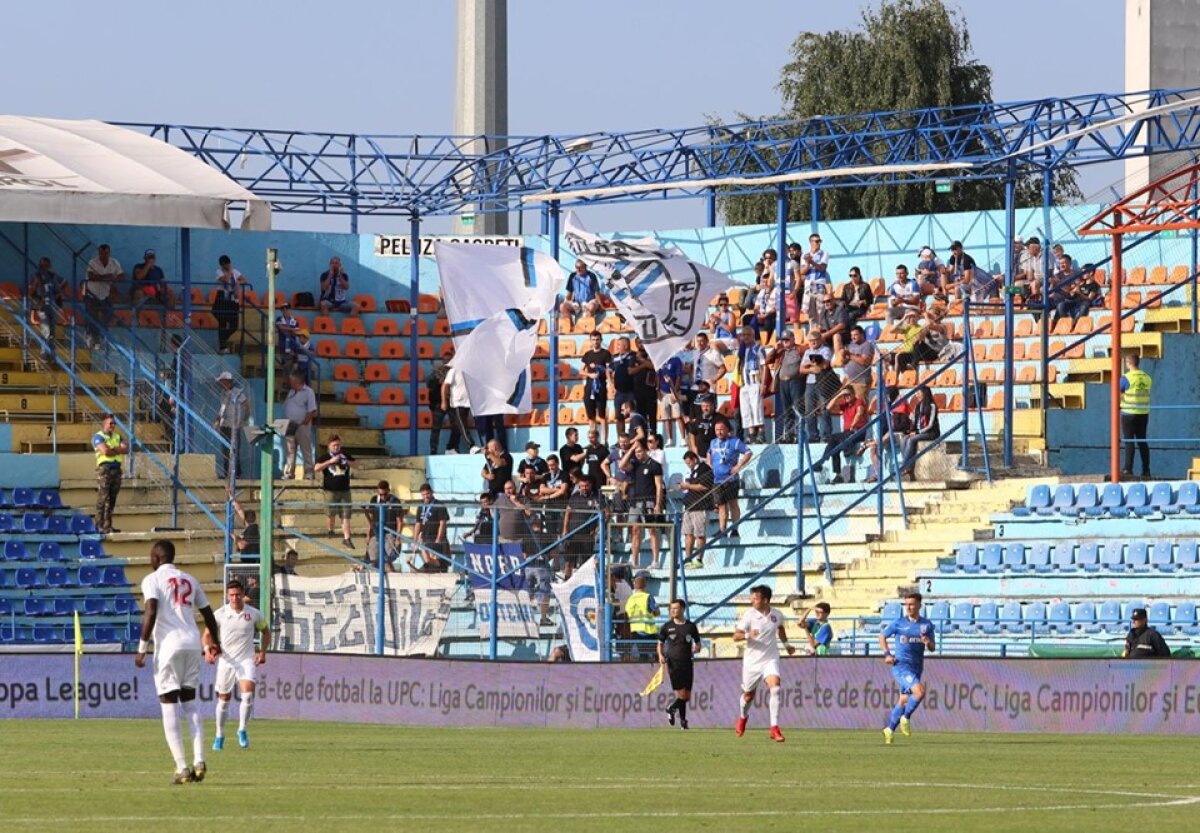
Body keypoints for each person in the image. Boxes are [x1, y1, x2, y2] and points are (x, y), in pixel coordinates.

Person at [135, 540, 221, 784]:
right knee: (191, 704)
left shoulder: (152, 580)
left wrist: (142, 648)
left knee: (168, 704)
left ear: (156, 557)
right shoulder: (190, 579)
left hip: (169, 646)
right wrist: (216, 642)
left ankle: (182, 767)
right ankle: (200, 760)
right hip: (193, 643)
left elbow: (151, 611)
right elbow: (208, 614)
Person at [205, 580, 268, 751]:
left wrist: (262, 652)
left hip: (246, 659)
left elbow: (265, 631)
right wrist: (207, 650)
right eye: (231, 595)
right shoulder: (220, 614)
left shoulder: (253, 614)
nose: (235, 598)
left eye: (238, 594)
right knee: (223, 700)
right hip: (227, 661)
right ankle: (219, 734)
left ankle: (242, 729)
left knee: (247, 694)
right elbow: (207, 634)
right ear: (227, 595)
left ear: (242, 594)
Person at [733, 584, 794, 743]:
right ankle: (742, 717)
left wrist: (787, 646)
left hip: (770, 658)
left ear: (765, 600)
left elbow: (780, 629)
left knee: (776, 687)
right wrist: (747, 635)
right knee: (748, 695)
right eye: (751, 598)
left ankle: (774, 728)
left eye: (755, 598)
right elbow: (735, 636)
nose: (752, 601)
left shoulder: (777, 615)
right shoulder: (749, 616)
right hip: (752, 662)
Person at [879, 591, 936, 744]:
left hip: (917, 666)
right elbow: (882, 636)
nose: (908, 607)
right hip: (901, 666)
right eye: (906, 604)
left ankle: (889, 729)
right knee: (920, 692)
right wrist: (887, 654)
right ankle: (906, 718)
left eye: (911, 604)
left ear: (919, 605)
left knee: (904, 701)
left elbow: (932, 648)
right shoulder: (898, 623)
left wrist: (927, 642)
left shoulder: (926, 625)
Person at [658, 599, 702, 730]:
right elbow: (660, 643)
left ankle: (681, 720)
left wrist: (697, 648)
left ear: (682, 609)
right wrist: (660, 655)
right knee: (682, 694)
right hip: (674, 662)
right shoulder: (667, 626)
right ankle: (673, 710)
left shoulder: (691, 626)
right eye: (671, 609)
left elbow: (698, 642)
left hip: (687, 662)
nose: (673, 611)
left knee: (686, 695)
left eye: (676, 608)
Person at [621, 440, 664, 570]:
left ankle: (655, 560)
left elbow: (658, 486)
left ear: (646, 450)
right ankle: (634, 562)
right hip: (635, 502)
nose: (637, 454)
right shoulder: (635, 464)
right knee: (635, 530)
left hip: (649, 501)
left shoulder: (655, 465)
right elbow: (622, 465)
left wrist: (658, 503)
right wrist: (631, 448)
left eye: (640, 451)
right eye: (636, 452)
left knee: (651, 530)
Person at [707, 419, 752, 538]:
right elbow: (709, 454)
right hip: (717, 480)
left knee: (733, 503)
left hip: (731, 480)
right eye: (717, 430)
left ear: (727, 430)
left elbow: (748, 452)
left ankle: (735, 529)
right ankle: (722, 529)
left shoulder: (735, 441)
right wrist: (710, 464)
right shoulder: (713, 442)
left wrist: (739, 466)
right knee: (721, 505)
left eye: (721, 429)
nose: (719, 432)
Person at [315, 436, 356, 547]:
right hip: (330, 490)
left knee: (346, 515)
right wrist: (330, 461)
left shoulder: (345, 455)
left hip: (345, 490)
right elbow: (317, 468)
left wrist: (346, 461)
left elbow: (356, 465)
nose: (337, 447)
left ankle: (347, 538)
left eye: (338, 445)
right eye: (334, 445)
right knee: (330, 514)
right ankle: (330, 529)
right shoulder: (325, 456)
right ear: (329, 446)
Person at [561, 470, 601, 579]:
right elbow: (568, 513)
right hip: (572, 534)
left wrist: (597, 529)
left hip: (587, 535)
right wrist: (565, 530)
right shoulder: (574, 496)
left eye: (586, 486)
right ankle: (567, 580)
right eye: (581, 486)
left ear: (591, 485)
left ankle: (583, 582)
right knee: (569, 561)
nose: (584, 488)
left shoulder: (597, 496)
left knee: (585, 563)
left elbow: (606, 514)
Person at [93, 413, 129, 535]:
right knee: (103, 498)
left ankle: (108, 526)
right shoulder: (98, 436)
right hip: (105, 469)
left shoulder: (117, 436)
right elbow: (105, 451)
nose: (113, 425)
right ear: (104, 424)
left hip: (116, 469)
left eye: (114, 423)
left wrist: (113, 449)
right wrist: (117, 449)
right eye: (111, 423)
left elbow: (126, 449)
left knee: (112, 499)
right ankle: (99, 525)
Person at [1120, 352, 1152, 479]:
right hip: (1143, 413)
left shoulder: (1126, 377)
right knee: (1142, 441)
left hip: (1129, 412)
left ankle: (1128, 469)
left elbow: (1118, 392)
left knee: (1129, 441)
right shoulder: (1147, 377)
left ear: (1128, 363)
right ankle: (1146, 469)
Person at [825, 386, 868, 482]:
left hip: (858, 431)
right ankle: (838, 474)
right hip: (847, 433)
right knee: (834, 444)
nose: (846, 397)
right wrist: (839, 395)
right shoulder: (844, 404)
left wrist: (853, 425)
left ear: (853, 394)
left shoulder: (858, 401)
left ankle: (845, 450)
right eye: (845, 395)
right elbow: (828, 408)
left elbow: (859, 413)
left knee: (837, 440)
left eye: (848, 394)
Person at [679, 450, 714, 568]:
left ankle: (699, 559)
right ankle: (687, 559)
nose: (688, 465)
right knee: (688, 534)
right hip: (689, 506)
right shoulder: (692, 472)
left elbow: (704, 487)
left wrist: (687, 486)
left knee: (699, 534)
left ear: (695, 459)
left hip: (700, 506)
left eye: (689, 463)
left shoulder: (705, 469)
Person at [83, 244, 123, 345]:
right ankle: (90, 337)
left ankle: (101, 336)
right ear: (99, 253)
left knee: (108, 313)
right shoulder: (93, 262)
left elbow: (121, 276)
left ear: (109, 253)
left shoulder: (114, 263)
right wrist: (107, 277)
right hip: (91, 293)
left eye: (106, 253)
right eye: (102, 253)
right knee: (92, 315)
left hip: (104, 294)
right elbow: (91, 276)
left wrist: (114, 279)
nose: (104, 255)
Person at [360, 480, 404, 571]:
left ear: (388, 490)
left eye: (385, 494)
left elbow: (399, 521)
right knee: (373, 555)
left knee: (389, 557)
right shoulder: (374, 500)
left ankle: (389, 573)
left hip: (390, 532)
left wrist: (398, 538)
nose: (383, 497)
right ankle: (378, 574)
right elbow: (371, 519)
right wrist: (368, 535)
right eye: (381, 495)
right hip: (375, 532)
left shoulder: (395, 501)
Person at [28, 257, 67, 359]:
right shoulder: (35, 276)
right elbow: (30, 293)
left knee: (52, 332)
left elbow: (64, 282)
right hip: (42, 305)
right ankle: (44, 353)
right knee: (47, 329)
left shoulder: (53, 276)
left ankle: (51, 352)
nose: (45, 268)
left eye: (46, 265)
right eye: (42, 266)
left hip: (52, 305)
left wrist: (58, 294)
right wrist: (36, 284)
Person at [214, 371, 249, 481]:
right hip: (225, 424)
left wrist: (244, 419)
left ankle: (236, 474)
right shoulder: (224, 393)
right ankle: (227, 473)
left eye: (222, 381)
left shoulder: (238, 393)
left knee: (233, 450)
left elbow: (247, 406)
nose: (221, 384)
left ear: (227, 381)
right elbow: (222, 409)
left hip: (234, 426)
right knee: (225, 450)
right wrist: (217, 420)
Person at [736, 326, 768, 444]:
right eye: (743, 335)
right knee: (746, 409)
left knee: (756, 408)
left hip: (755, 381)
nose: (745, 337)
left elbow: (764, 366)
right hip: (744, 383)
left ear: (752, 335)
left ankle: (761, 433)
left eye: (747, 335)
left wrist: (763, 384)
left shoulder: (758, 348)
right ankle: (751, 434)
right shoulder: (742, 350)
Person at [282, 372, 317, 480]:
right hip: (290, 424)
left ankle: (308, 473)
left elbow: (312, 410)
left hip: (302, 424)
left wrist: (304, 423)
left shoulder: (308, 392)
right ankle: (289, 473)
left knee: (305, 449)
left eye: (292, 381)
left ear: (297, 381)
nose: (290, 383)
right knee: (290, 450)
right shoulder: (292, 391)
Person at [900, 386, 940, 479]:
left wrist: (917, 432)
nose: (916, 395)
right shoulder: (918, 406)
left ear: (924, 393)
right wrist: (911, 431)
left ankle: (903, 466)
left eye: (919, 393)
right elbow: (915, 421)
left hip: (931, 432)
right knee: (904, 439)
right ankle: (908, 466)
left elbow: (930, 425)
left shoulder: (932, 406)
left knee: (912, 440)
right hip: (918, 432)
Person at [580, 331, 613, 444]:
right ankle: (593, 440)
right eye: (593, 339)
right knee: (591, 416)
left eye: (597, 339)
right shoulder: (588, 354)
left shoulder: (606, 354)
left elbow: (608, 370)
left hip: (601, 386)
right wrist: (590, 375)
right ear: (590, 340)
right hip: (589, 387)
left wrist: (611, 383)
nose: (595, 342)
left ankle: (604, 440)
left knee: (602, 415)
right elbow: (581, 371)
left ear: (601, 340)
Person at [410, 483, 450, 573]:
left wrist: (438, 539)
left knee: (438, 562)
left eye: (427, 494)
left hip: (436, 538)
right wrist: (415, 541)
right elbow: (418, 524)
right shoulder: (421, 506)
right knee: (429, 563)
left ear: (431, 493)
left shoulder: (439, 505)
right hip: (426, 538)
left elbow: (442, 523)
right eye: (423, 495)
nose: (426, 497)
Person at [442, 356, 479, 454]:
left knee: (457, 426)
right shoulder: (454, 370)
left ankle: (450, 448)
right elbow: (445, 386)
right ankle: (471, 445)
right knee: (462, 425)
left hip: (467, 402)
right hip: (457, 402)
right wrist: (444, 401)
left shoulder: (469, 372)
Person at [214, 255, 250, 352]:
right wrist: (229, 271)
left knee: (234, 325)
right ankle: (222, 346)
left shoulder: (235, 272)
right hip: (223, 298)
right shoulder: (219, 272)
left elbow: (245, 279)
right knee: (223, 323)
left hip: (233, 298)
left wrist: (238, 282)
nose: (227, 266)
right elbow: (225, 280)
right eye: (225, 265)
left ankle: (222, 341)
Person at [771, 331, 803, 442]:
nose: (785, 342)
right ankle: (789, 435)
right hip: (783, 383)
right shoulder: (781, 352)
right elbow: (767, 360)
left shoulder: (799, 350)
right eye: (783, 340)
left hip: (795, 382)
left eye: (787, 340)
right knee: (786, 410)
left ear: (793, 339)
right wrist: (775, 349)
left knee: (798, 408)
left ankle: (800, 435)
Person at [624, 573, 659, 661]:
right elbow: (656, 612)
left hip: (635, 630)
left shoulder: (630, 599)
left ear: (634, 586)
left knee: (642, 654)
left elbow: (627, 612)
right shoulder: (647, 597)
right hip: (648, 630)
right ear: (645, 585)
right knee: (657, 652)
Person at [559, 259, 604, 327]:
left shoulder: (591, 276)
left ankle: (586, 327)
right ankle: (571, 327)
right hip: (577, 303)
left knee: (591, 307)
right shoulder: (572, 276)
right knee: (562, 306)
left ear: (585, 267)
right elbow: (569, 293)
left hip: (589, 302)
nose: (578, 269)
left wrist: (600, 305)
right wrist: (566, 302)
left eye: (580, 267)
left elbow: (596, 292)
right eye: (577, 267)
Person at [426, 350, 452, 455]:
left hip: (452, 403)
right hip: (438, 404)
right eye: (445, 360)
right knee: (436, 428)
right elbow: (429, 385)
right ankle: (433, 450)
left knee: (457, 427)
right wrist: (438, 382)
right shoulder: (436, 372)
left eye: (449, 360)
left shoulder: (455, 371)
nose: (447, 362)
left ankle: (452, 447)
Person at [840, 325, 875, 399]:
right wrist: (843, 356)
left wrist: (849, 355)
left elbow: (864, 361)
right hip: (849, 380)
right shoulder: (851, 346)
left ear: (862, 335)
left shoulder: (867, 345)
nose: (853, 337)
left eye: (855, 335)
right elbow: (844, 362)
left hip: (861, 381)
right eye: (851, 335)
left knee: (860, 404)